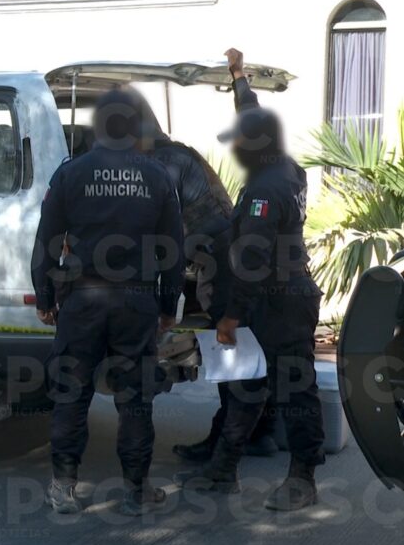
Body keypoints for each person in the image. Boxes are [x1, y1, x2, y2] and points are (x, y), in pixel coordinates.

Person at [175, 48, 325, 511]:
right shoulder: (284, 166)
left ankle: (302, 479)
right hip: (279, 293)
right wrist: (239, 79)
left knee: (293, 387)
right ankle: (223, 471)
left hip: (276, 299)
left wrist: (231, 316)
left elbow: (252, 262)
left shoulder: (264, 191)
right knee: (247, 385)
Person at [33, 88, 185, 516]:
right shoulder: (157, 176)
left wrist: (44, 295)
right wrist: (167, 307)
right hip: (135, 301)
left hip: (81, 299)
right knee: (135, 397)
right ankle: (136, 490)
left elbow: (46, 240)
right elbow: (173, 248)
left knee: (71, 393)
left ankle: (64, 487)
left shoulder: (71, 173)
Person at [130, 91, 281, 462]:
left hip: (222, 266)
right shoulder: (179, 154)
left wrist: (159, 294)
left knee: (232, 362)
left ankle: (224, 445)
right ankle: (258, 435)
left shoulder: (162, 163)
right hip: (232, 260)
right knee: (244, 357)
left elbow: (168, 236)